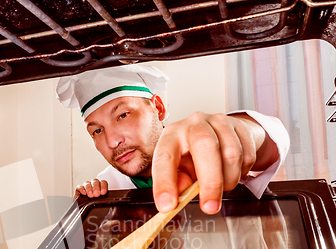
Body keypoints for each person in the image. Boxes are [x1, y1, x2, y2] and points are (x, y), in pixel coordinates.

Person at [56, 64, 290, 214]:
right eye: (97, 130)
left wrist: (239, 131)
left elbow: (270, 140)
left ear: (158, 108)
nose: (112, 141)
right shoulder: (105, 191)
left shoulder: (206, 150)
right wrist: (85, 216)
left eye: (122, 115)